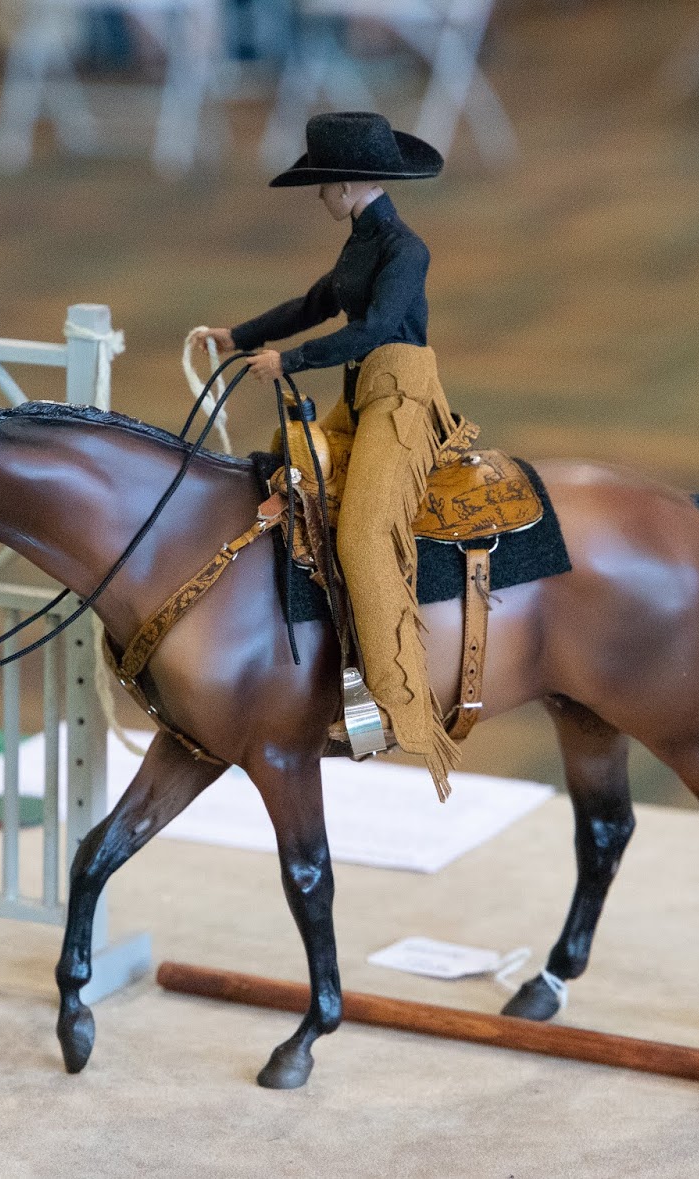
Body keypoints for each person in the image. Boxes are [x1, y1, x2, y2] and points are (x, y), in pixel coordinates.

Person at [193, 110, 461, 799]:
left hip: (399, 392)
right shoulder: (361, 241)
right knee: (286, 470)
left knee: (366, 534)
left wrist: (291, 361)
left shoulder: (406, 250)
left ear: (348, 184)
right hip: (362, 389)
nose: (319, 195)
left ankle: (398, 706)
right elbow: (316, 302)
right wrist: (238, 335)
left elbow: (375, 330)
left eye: (324, 184)